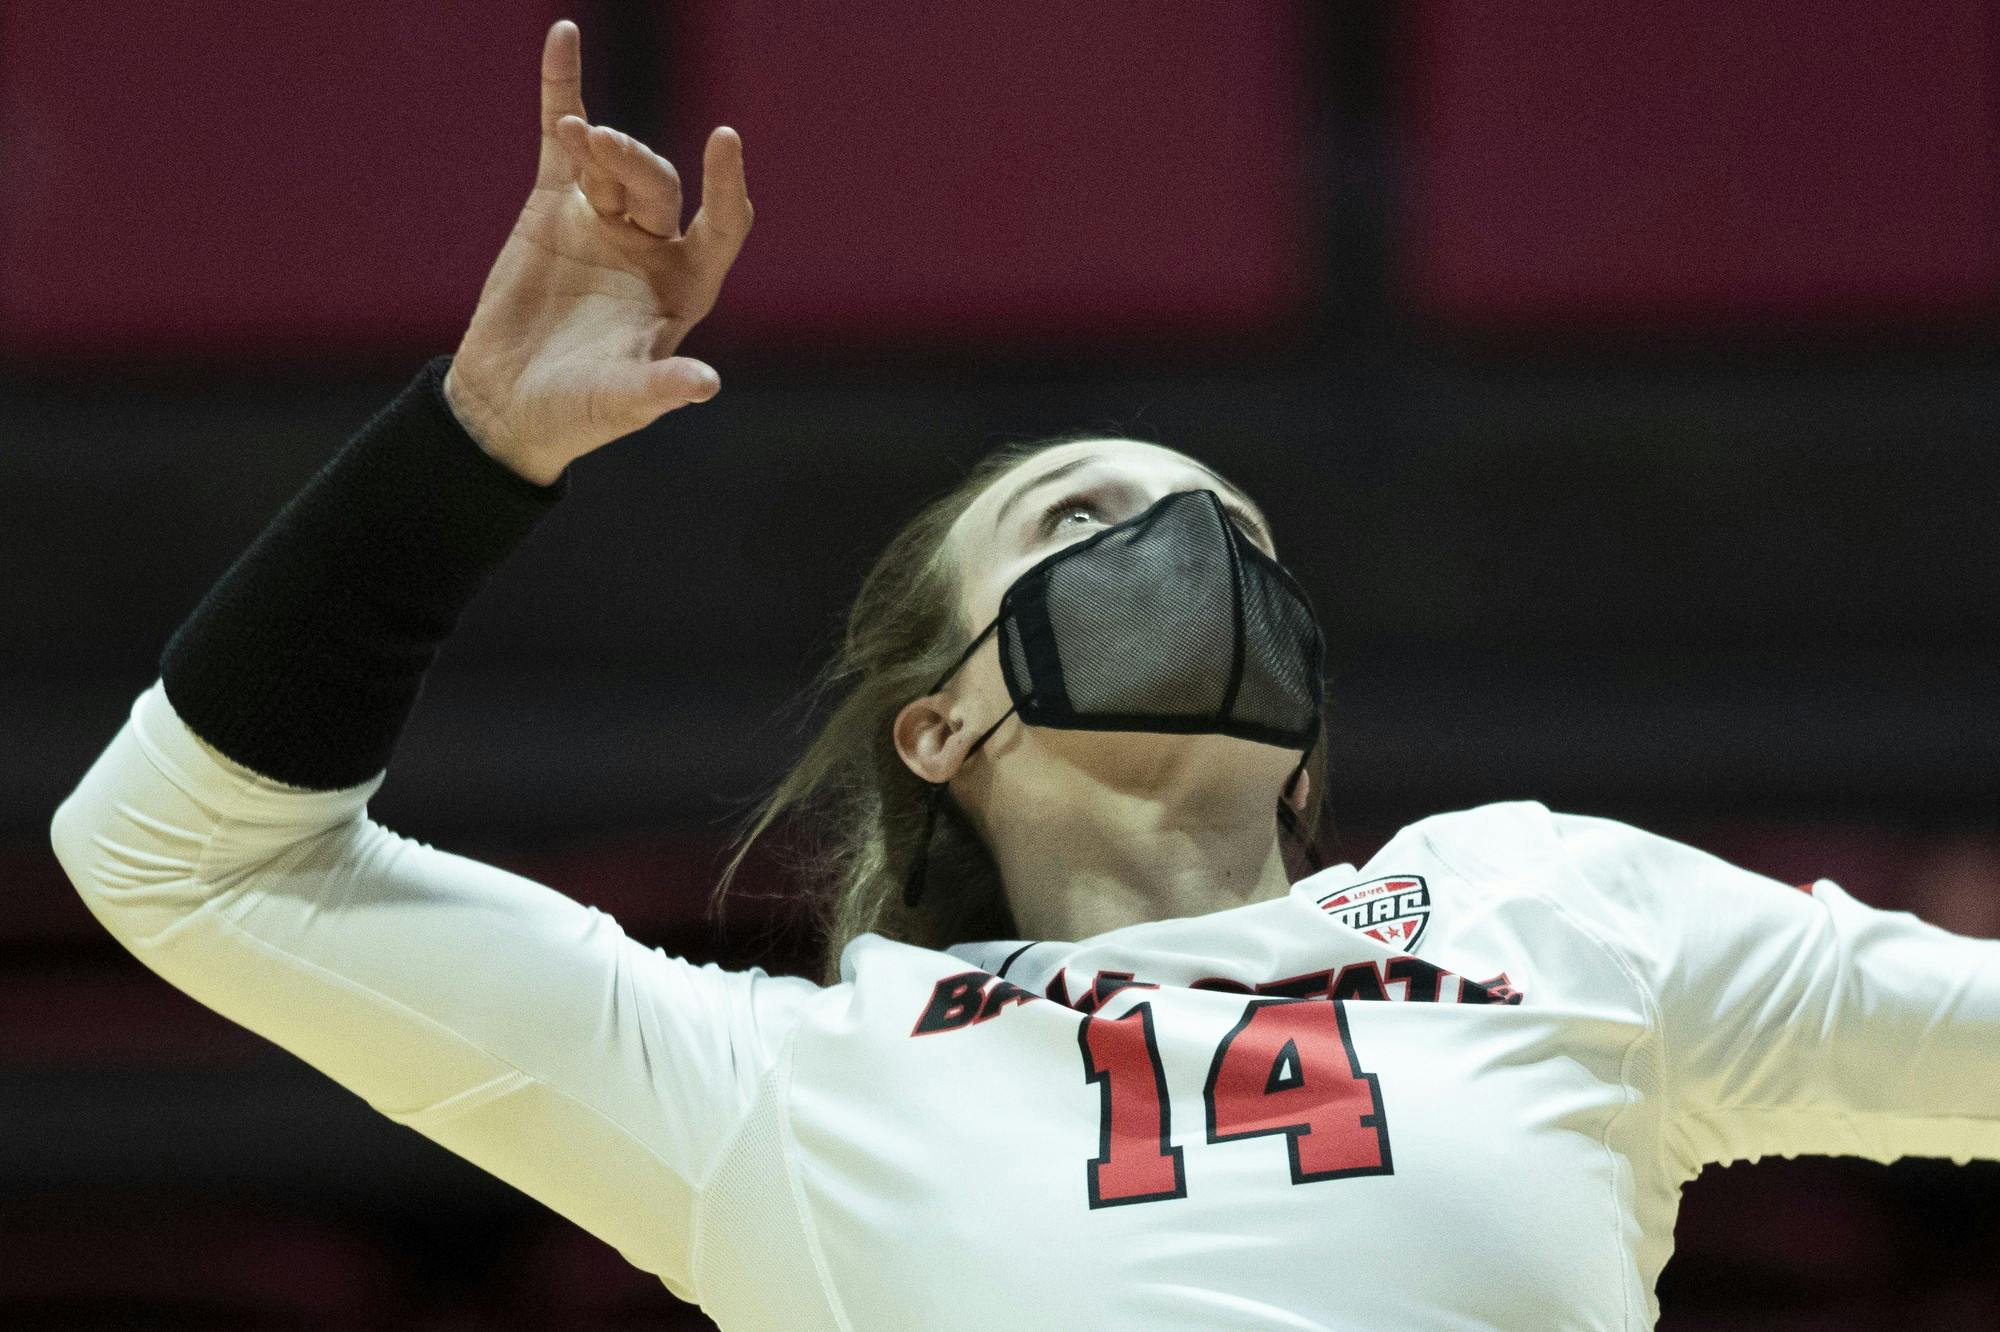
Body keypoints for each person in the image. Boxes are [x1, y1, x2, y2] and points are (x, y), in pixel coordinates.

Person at [50, 19, 2000, 1331]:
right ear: (938, 722)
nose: (1168, 545)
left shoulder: (1556, 901)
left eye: (1223, 532)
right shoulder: (768, 1087)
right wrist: (465, 450)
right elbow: (183, 857)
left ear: (1308, 736)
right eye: (1078, 519)